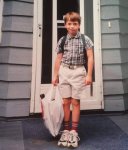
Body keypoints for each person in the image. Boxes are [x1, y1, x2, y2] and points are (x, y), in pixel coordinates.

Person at [52, 11, 94, 148]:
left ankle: (74, 131)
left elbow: (90, 57)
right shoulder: (62, 40)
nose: (72, 26)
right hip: (64, 71)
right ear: (65, 25)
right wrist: (55, 75)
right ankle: (65, 130)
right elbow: (58, 59)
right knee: (65, 102)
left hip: (78, 71)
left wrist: (89, 75)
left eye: (75, 24)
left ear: (79, 25)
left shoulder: (85, 39)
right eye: (69, 24)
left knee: (75, 102)